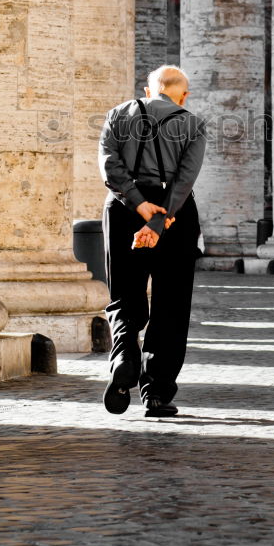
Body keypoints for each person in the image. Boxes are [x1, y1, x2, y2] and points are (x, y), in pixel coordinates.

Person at [98, 65, 206, 418]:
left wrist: (138, 203)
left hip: (124, 211)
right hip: (174, 216)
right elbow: (185, 179)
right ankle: (157, 392)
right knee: (171, 304)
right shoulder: (192, 123)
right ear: (183, 95)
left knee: (124, 293)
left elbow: (109, 166)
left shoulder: (118, 114)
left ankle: (125, 356)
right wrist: (159, 221)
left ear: (147, 91)